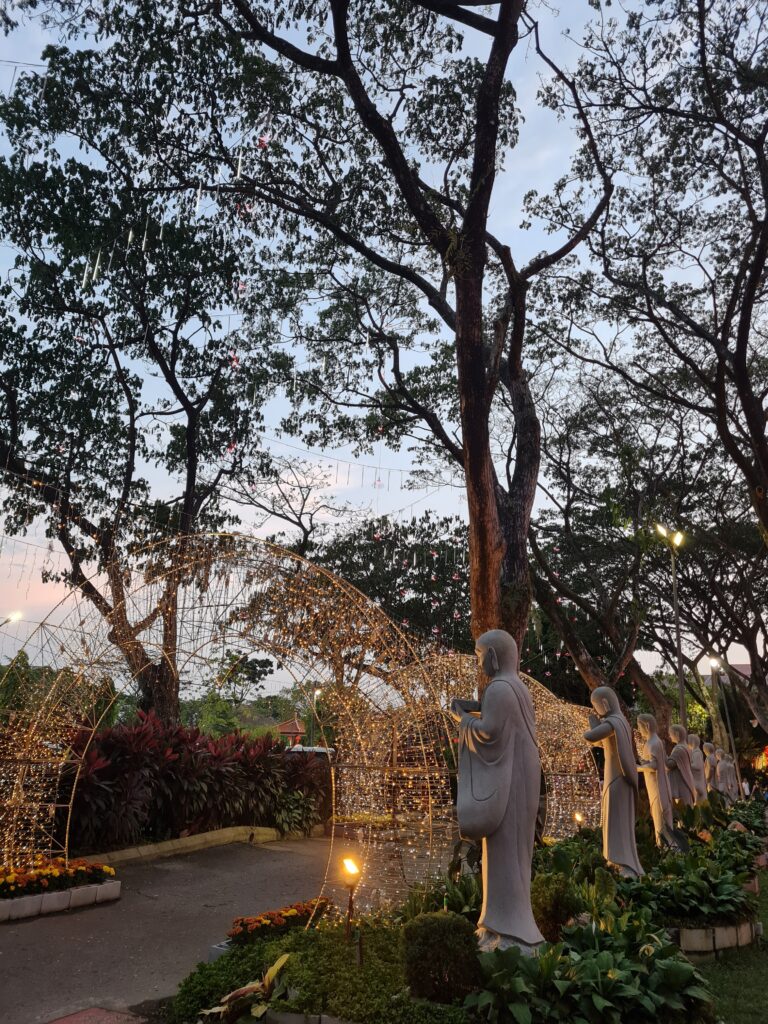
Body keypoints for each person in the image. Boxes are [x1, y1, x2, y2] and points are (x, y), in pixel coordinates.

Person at [450, 629, 544, 953]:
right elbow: (500, 719)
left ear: (493, 655)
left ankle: (508, 931)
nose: (480, 663)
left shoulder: (499, 688)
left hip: (510, 782)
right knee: (515, 856)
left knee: (505, 855)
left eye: (480, 656)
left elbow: (489, 733)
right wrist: (475, 708)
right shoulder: (518, 688)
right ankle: (510, 926)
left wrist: (462, 720)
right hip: (523, 775)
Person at [583, 687, 643, 877]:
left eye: (596, 706)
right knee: (615, 820)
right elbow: (601, 743)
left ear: (605, 704)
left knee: (616, 821)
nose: (596, 709)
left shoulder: (613, 722)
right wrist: (595, 724)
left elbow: (591, 737)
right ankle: (618, 861)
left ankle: (622, 862)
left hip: (617, 779)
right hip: (616, 779)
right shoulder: (621, 722)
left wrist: (592, 724)